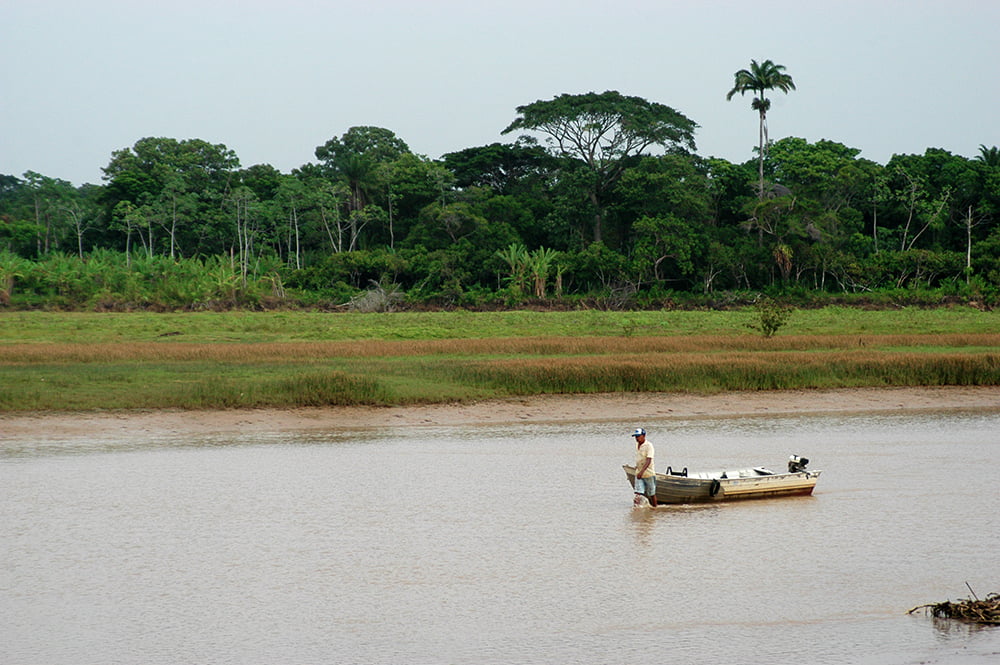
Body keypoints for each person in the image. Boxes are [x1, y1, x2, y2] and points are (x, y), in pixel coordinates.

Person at [632, 427, 657, 507]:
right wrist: (637, 469)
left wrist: (642, 472)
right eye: (636, 437)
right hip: (639, 473)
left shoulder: (649, 446)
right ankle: (637, 509)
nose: (637, 438)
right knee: (637, 493)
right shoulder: (637, 445)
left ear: (644, 436)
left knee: (651, 494)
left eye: (638, 436)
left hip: (648, 474)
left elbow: (649, 460)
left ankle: (654, 508)